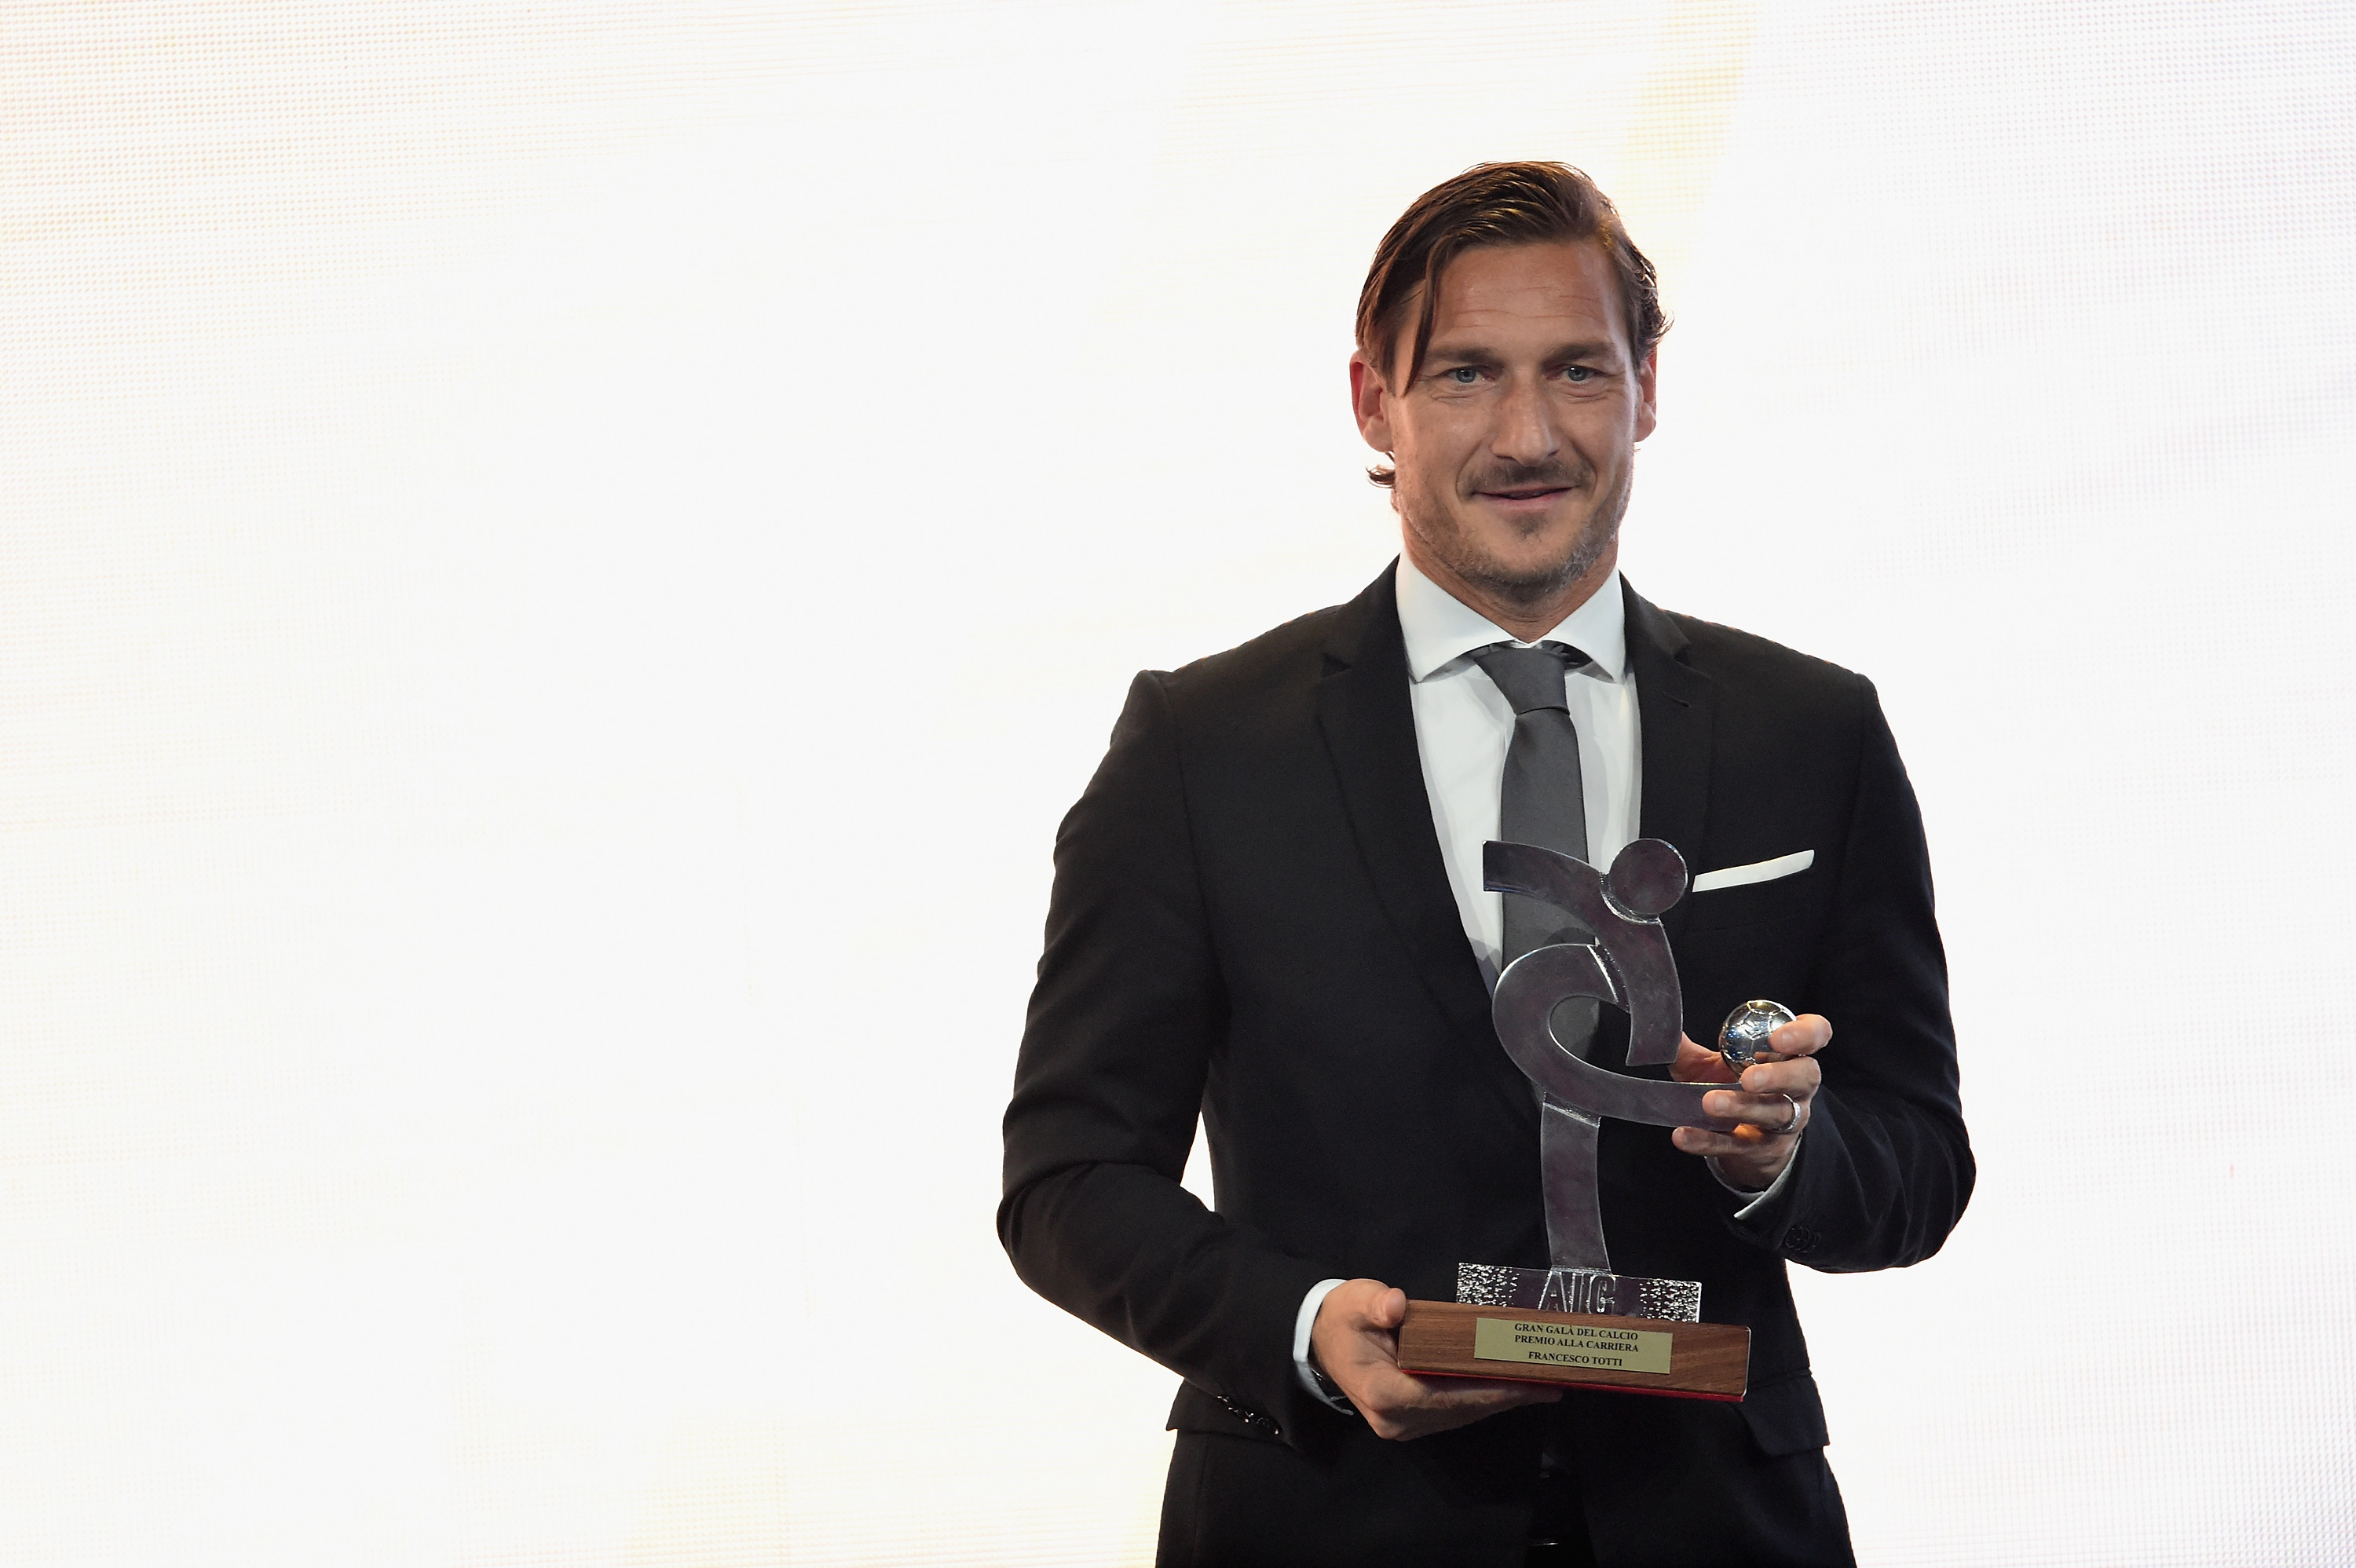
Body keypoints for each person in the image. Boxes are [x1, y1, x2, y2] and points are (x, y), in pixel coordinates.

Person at [998, 162, 1972, 1568]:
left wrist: (1790, 1155)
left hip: (1718, 1524)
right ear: (1372, 402)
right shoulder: (1199, 747)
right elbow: (1068, 1178)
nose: (1527, 433)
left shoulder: (1812, 731)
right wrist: (1301, 1321)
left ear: (1646, 386)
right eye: (1464, 374)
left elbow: (1921, 1158)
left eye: (1576, 369)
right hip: (1321, 1521)